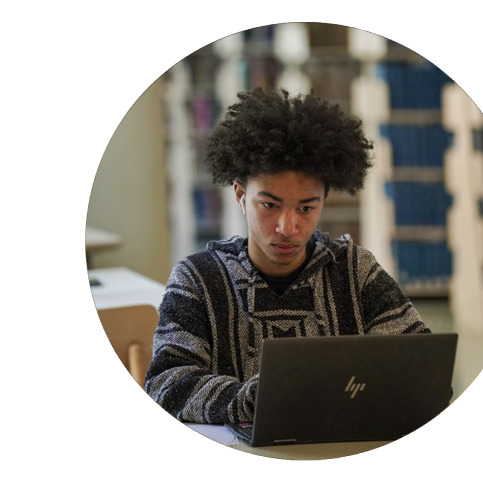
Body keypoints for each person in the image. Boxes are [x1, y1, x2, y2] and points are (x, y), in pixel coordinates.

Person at [144, 88, 431, 424]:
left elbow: (419, 363)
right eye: (270, 205)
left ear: (324, 199)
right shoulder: (197, 279)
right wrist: (253, 399)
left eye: (307, 207)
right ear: (239, 194)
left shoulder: (355, 270)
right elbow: (167, 381)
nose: (287, 227)